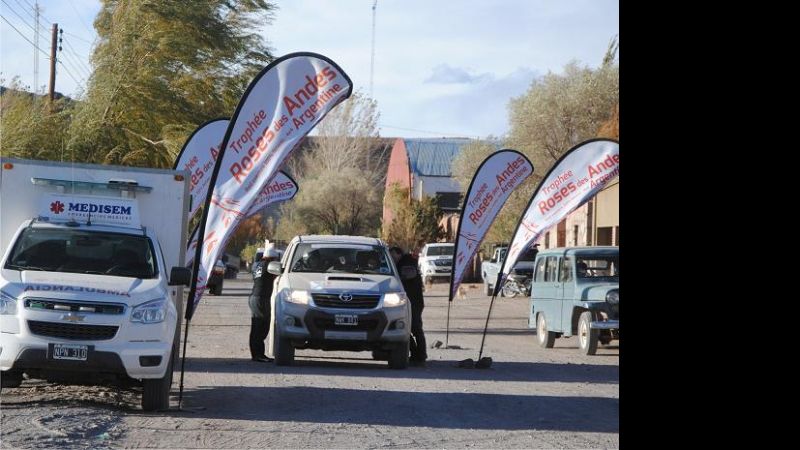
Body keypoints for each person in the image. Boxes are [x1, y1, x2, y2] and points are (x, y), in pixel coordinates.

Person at [389, 246, 427, 365]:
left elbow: (408, 275)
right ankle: (416, 353)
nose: (391, 258)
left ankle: (421, 355)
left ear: (398, 253)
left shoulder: (407, 262)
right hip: (406, 301)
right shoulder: (398, 264)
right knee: (403, 328)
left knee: (415, 328)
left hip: (414, 301)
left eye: (392, 255)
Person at [248, 248, 280, 362]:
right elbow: (280, 272)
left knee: (256, 327)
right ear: (271, 258)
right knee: (262, 327)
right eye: (275, 259)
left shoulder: (257, 265)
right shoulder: (268, 265)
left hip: (254, 298)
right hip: (261, 299)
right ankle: (258, 355)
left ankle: (256, 354)